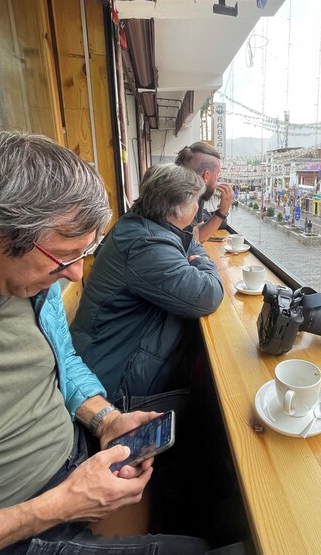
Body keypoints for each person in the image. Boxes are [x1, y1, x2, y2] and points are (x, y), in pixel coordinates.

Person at [0, 134, 207, 555]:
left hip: (72, 466)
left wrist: (106, 419)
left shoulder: (26, 285)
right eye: (65, 257)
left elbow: (62, 364)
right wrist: (58, 506)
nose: (76, 276)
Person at [71, 164, 224, 408]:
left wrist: (194, 251)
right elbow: (207, 294)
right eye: (195, 201)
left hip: (111, 350)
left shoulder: (142, 224)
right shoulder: (146, 244)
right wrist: (204, 261)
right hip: (114, 378)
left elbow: (189, 242)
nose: (197, 209)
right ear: (176, 208)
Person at [175, 142, 233, 242]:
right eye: (217, 173)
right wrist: (222, 212)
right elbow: (195, 240)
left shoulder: (198, 194)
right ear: (206, 175)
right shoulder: (181, 198)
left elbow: (197, 229)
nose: (217, 179)